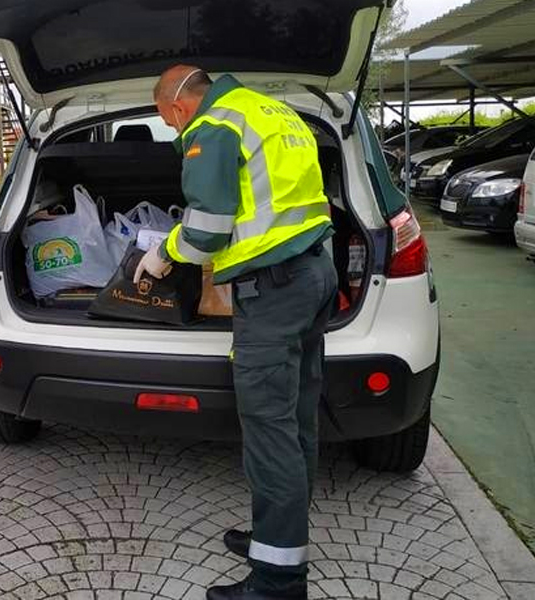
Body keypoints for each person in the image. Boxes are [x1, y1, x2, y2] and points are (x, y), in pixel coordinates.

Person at [137, 66, 337, 600]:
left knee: (270, 430)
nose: (178, 134)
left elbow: (206, 231)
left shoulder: (213, 126)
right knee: (295, 419)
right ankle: (277, 537)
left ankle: (278, 581)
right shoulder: (270, 110)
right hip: (314, 272)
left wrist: (161, 256)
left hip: (273, 290)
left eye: (170, 124)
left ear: (179, 108)